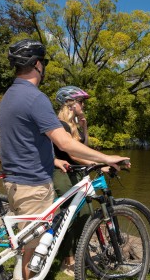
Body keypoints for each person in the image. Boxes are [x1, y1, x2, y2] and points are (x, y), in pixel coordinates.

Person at [0, 39, 130, 280]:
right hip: (34, 186)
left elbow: (24, 141)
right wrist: (107, 157)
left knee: (28, 249)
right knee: (32, 258)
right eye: (44, 63)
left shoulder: (9, 96)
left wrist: (54, 161)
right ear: (37, 65)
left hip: (15, 182)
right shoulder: (35, 98)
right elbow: (65, 143)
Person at [53, 85, 93, 276]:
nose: (83, 105)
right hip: (61, 173)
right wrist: (101, 162)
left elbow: (83, 147)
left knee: (84, 213)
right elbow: (73, 154)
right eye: (81, 101)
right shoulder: (60, 125)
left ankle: (77, 255)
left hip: (76, 173)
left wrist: (84, 127)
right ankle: (66, 259)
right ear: (71, 103)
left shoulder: (74, 124)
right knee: (71, 214)